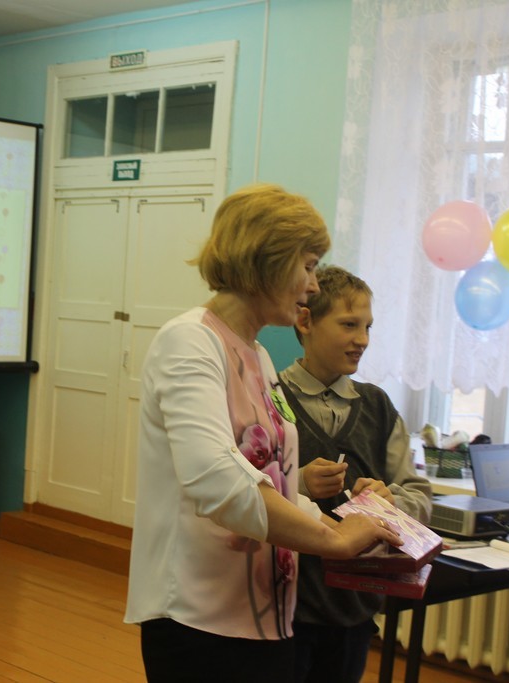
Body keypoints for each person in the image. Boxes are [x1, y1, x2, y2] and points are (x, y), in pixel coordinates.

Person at [123, 184, 402, 682]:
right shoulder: (190, 341)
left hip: (266, 617)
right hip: (198, 619)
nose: (312, 286)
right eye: (308, 266)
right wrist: (333, 540)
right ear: (268, 260)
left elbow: (274, 484)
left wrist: (349, 521)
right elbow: (217, 480)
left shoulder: (258, 355)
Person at [278, 265, 432, 683]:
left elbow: (419, 494)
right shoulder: (270, 397)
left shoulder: (378, 406)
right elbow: (242, 489)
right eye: (349, 325)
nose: (362, 339)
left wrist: (392, 500)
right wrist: (299, 482)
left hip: (354, 609)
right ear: (305, 321)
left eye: (367, 327)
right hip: (284, 607)